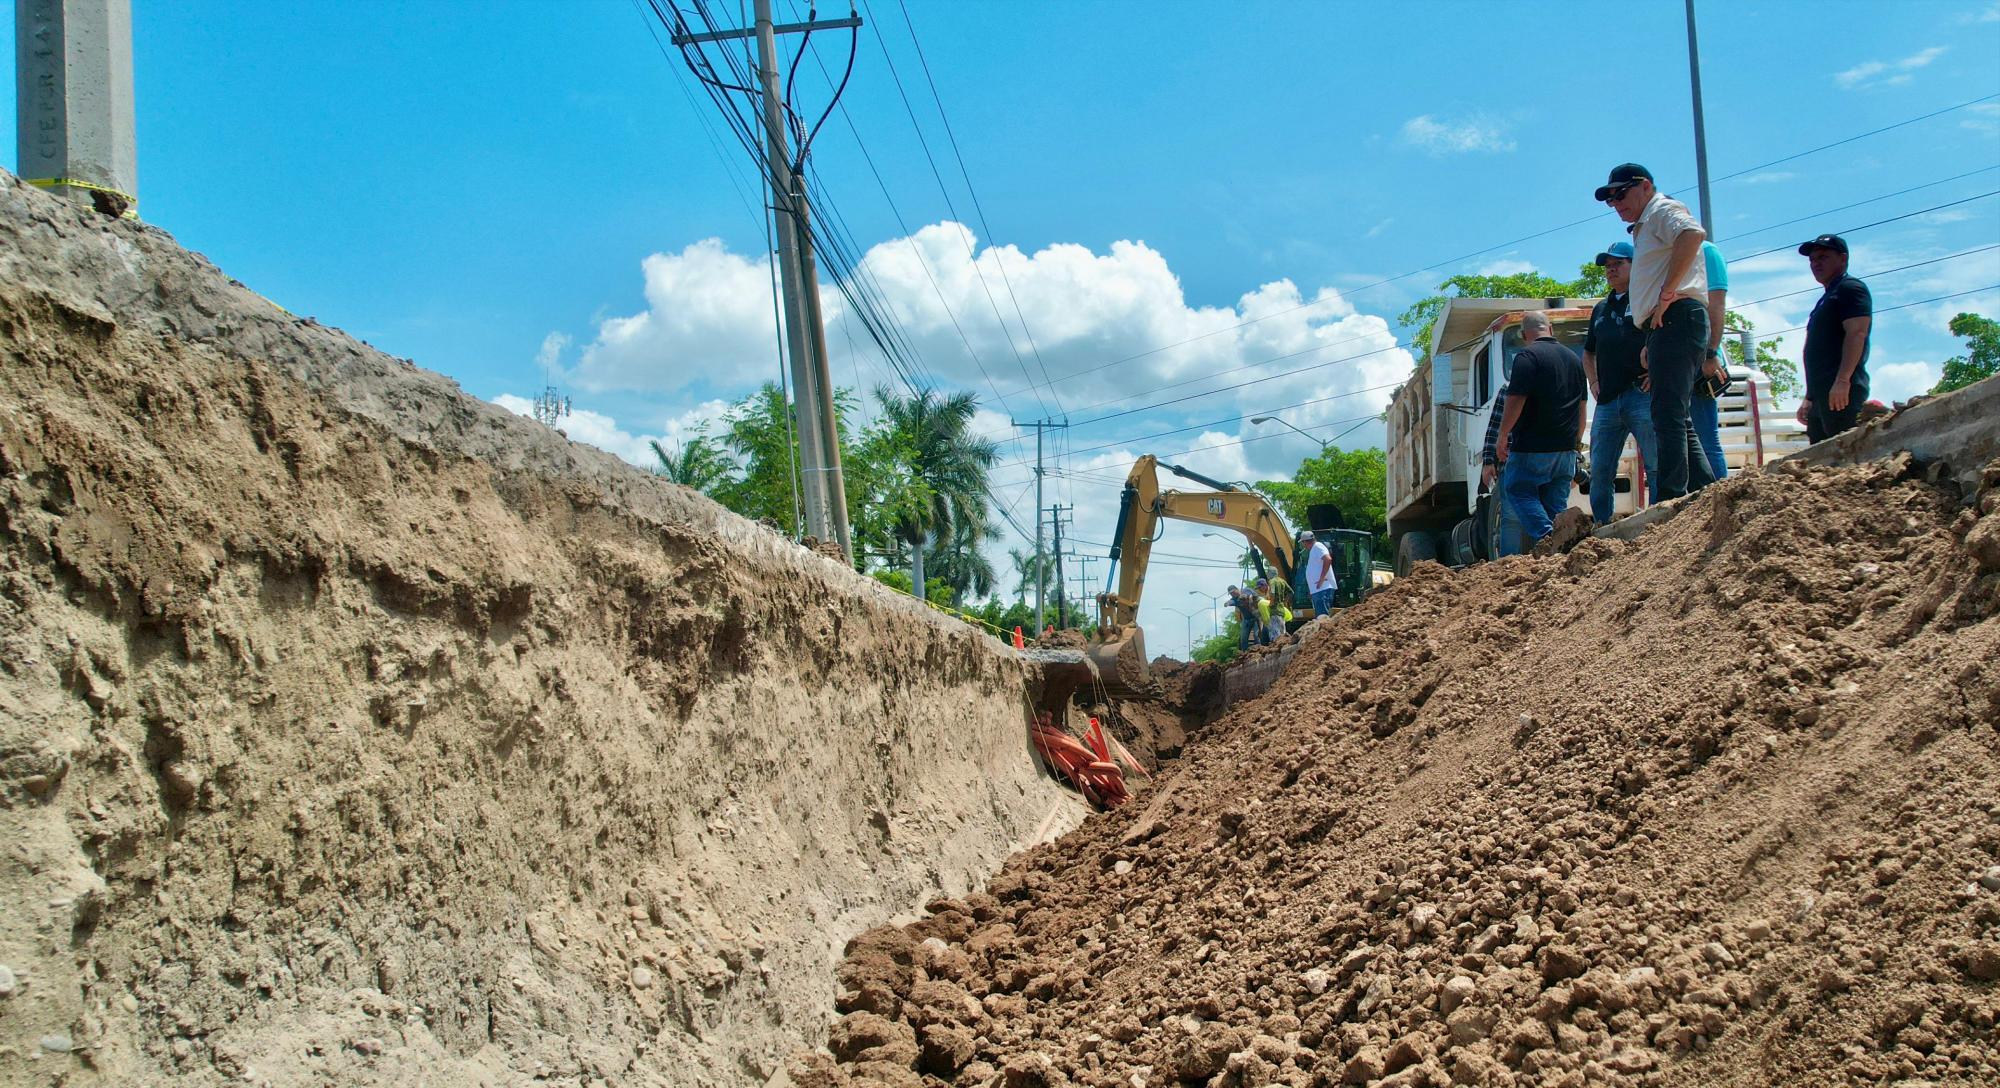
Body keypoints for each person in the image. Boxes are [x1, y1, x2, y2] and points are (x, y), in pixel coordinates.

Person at [1596, 163, 1711, 500]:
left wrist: (1666, 294)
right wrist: (1650, 335)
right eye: (1610, 199)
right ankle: (1705, 490)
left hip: (1678, 316)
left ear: (1645, 186)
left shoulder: (1662, 209)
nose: (1616, 203)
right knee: (1673, 411)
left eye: (1621, 193)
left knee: (1667, 412)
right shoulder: (1644, 226)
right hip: (1664, 324)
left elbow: (1692, 234)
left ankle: (1672, 495)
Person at [1494, 311, 1588, 545]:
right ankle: (1562, 549)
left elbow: (1516, 399)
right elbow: (1581, 407)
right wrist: (1575, 444)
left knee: (1517, 489)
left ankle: (1550, 538)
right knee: (1555, 507)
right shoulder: (1574, 360)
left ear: (1525, 334)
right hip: (1565, 450)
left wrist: (1503, 434)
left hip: (1531, 448)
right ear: (1551, 330)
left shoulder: (1527, 357)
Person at [1582, 241, 1657, 525]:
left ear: (1634, 265)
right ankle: (1603, 525)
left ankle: (1662, 521)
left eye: (1618, 264)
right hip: (1608, 401)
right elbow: (1588, 352)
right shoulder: (1600, 309)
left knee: (1655, 463)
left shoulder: (1648, 299)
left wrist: (1658, 370)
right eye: (1607, 266)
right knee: (1600, 469)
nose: (1611, 270)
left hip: (1642, 394)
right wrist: (1593, 380)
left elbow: (1665, 338)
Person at [1796, 233, 1873, 443]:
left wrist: (1843, 380)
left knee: (1845, 452)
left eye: (1823, 257)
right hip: (1821, 395)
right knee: (1821, 463)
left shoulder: (1850, 289)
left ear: (1843, 258)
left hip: (1841, 391)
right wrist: (1810, 397)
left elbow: (1857, 333)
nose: (1816, 264)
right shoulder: (1826, 298)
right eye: (1812, 260)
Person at [1691, 240, 1732, 482]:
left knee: (1705, 437)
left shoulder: (1706, 251)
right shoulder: (1664, 255)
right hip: (1676, 360)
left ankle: (1719, 497)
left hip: (1699, 359)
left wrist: (1710, 352)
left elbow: (1717, 304)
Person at [1479, 380, 1527, 557]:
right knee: (1511, 515)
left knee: (1510, 517)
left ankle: (1509, 562)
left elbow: (1495, 426)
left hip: (1521, 458)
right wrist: (1488, 461)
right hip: (1514, 458)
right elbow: (1495, 426)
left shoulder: (1511, 387)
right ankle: (1509, 563)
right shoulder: (1509, 387)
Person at [1302, 530, 1337, 616]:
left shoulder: (1318, 546)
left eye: (1303, 542)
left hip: (1322, 589)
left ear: (1305, 542)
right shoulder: (1314, 549)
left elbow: (1328, 559)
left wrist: (1321, 578)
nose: (1303, 545)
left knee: (1322, 618)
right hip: (1318, 590)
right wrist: (1312, 590)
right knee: (1320, 617)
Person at [1228, 585, 1259, 651]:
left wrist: (1247, 596)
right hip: (1246, 620)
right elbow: (1231, 602)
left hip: (1256, 617)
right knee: (1244, 638)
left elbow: (1255, 595)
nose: (1232, 594)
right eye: (1230, 594)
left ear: (1237, 589)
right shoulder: (1234, 599)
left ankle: (1260, 650)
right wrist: (1228, 603)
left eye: (1233, 592)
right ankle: (1244, 654)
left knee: (1256, 635)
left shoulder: (1246, 590)